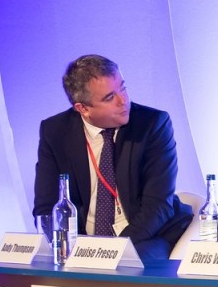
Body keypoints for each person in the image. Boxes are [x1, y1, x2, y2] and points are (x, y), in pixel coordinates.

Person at [33, 55, 193, 261]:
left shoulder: (152, 124)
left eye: (123, 88)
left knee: (132, 263)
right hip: (83, 244)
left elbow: (158, 206)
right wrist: (73, 249)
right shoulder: (55, 132)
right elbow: (46, 207)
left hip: (148, 236)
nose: (123, 100)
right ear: (83, 108)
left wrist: (111, 251)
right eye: (109, 98)